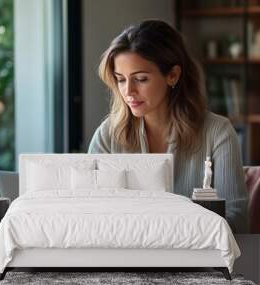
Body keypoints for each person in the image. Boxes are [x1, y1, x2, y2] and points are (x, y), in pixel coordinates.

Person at [88, 20, 249, 233]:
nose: (128, 91)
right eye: (120, 79)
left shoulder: (217, 132)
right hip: (126, 258)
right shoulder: (108, 135)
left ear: (173, 75)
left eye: (141, 79)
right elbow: (89, 214)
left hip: (199, 261)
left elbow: (236, 219)